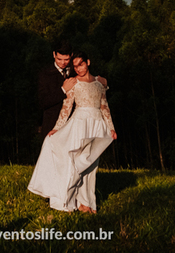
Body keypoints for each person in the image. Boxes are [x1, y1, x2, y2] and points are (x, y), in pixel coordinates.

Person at [27, 54, 117, 213]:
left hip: (97, 124)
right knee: (78, 163)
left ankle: (87, 203)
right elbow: (66, 107)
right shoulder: (74, 83)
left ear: (88, 62)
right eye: (75, 66)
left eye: (81, 64)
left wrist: (111, 127)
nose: (78, 68)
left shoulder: (99, 83)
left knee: (91, 166)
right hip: (79, 124)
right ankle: (68, 197)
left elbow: (104, 106)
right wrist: (56, 128)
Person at [36, 41, 74, 139]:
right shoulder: (44, 74)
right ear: (54, 54)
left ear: (71, 55)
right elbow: (42, 102)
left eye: (66, 59)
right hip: (51, 126)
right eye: (59, 59)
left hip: (73, 126)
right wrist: (63, 90)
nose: (62, 63)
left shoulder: (76, 70)